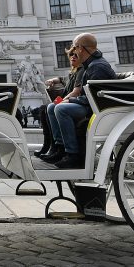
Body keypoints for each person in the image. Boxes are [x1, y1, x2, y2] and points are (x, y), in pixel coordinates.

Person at [39, 33, 115, 169]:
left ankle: (72, 155)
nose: (73, 52)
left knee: (60, 109)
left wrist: (71, 100)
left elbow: (96, 97)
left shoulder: (97, 67)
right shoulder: (90, 65)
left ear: (81, 48)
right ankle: (60, 148)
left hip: (97, 109)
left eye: (75, 47)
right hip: (92, 105)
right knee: (51, 107)